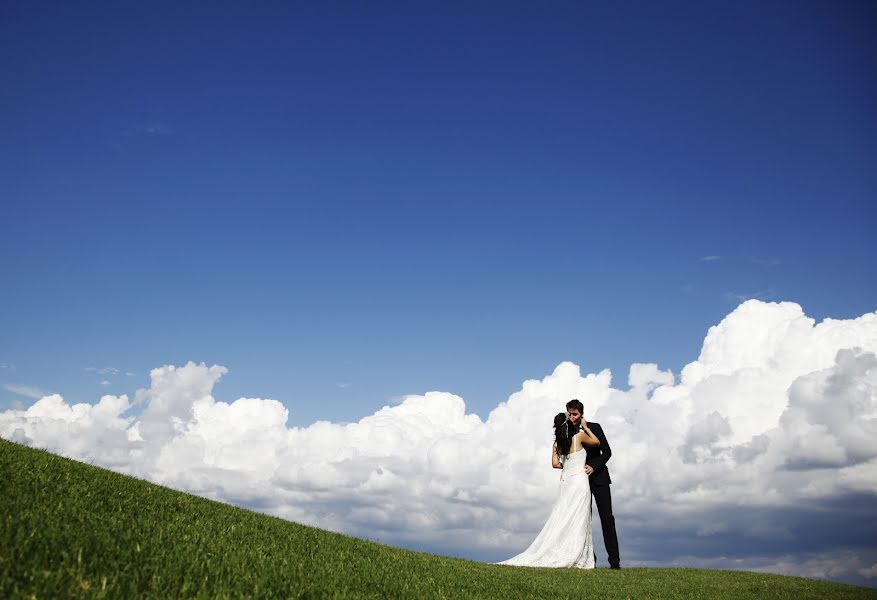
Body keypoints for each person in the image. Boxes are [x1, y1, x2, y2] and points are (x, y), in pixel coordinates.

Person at [496, 411, 601, 568]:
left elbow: (555, 464)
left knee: (563, 515)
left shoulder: (557, 444)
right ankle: (575, 554)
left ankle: (565, 551)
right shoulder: (579, 436)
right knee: (579, 517)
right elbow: (596, 442)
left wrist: (568, 465)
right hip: (579, 480)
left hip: (566, 482)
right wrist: (586, 427)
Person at [566, 398, 621, 569]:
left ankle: (614, 563)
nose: (572, 417)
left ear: (581, 414)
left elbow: (607, 451)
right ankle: (590, 561)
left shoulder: (594, 427)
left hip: (600, 479)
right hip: (580, 481)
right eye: (569, 414)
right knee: (584, 520)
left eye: (574, 414)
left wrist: (594, 466)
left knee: (607, 518)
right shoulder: (567, 432)